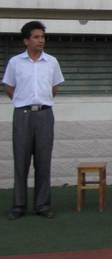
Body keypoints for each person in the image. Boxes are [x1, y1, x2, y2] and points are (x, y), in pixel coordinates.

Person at [3, 21, 64, 220]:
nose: (41, 41)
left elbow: (54, 88)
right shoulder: (15, 62)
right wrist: (23, 103)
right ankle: (18, 206)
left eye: (42, 37)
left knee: (43, 162)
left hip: (45, 115)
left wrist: (40, 104)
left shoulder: (52, 62)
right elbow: (9, 87)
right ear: (26, 40)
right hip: (22, 115)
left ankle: (43, 205)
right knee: (21, 161)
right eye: (36, 37)